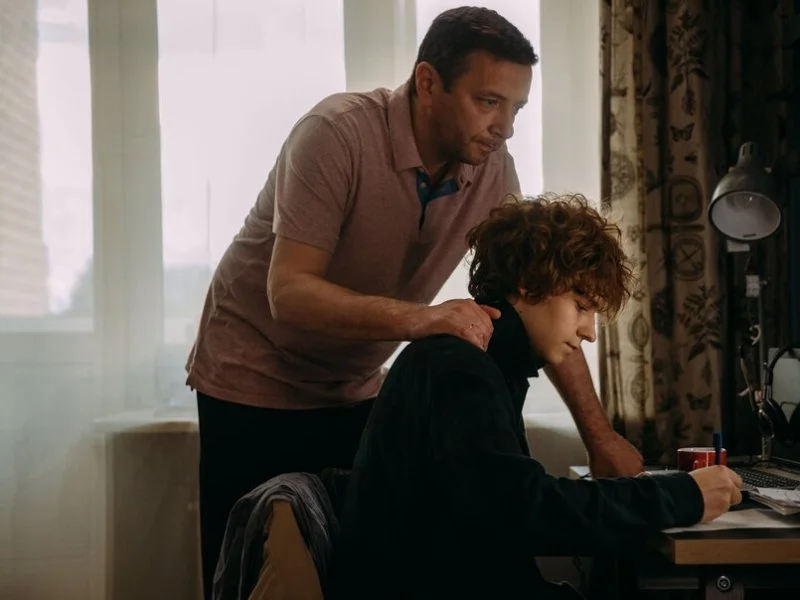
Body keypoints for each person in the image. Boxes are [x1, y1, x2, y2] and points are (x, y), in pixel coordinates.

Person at [186, 6, 643, 597]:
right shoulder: (336, 133)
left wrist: (599, 438)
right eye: (488, 102)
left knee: (347, 570)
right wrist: (426, 319)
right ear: (427, 82)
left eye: (516, 108)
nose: (505, 127)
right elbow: (289, 292)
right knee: (255, 570)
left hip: (353, 387)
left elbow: (541, 296)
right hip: (251, 377)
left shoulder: (493, 168)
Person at [330, 194, 744, 600]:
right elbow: (522, 511)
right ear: (528, 284)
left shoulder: (484, 363)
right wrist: (682, 495)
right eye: (581, 306)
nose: (589, 332)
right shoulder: (459, 367)